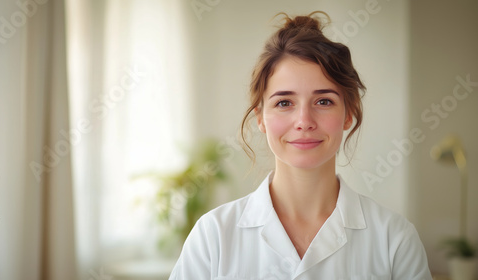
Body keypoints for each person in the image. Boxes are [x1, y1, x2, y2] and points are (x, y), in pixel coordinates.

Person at [169, 11, 432, 279]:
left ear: (348, 113)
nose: (304, 121)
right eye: (284, 103)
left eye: (324, 101)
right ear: (260, 118)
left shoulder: (394, 239)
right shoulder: (212, 237)